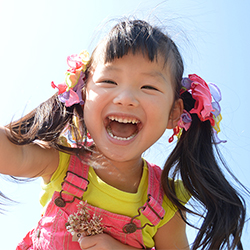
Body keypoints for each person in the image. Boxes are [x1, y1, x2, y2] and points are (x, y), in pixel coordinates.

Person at [0, 18, 246, 250]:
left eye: (148, 86)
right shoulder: (60, 161)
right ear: (83, 95)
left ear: (174, 113)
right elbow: (12, 155)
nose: (126, 98)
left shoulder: (167, 202)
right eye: (109, 81)